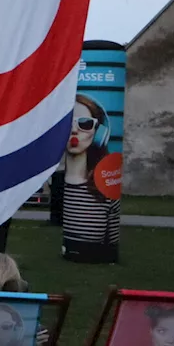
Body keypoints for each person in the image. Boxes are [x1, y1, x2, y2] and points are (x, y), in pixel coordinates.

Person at [62, 94, 121, 260]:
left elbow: (111, 243)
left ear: (99, 133)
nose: (74, 130)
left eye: (84, 124)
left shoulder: (105, 189)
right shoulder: (58, 183)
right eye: (67, 123)